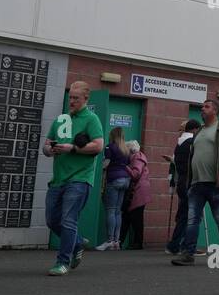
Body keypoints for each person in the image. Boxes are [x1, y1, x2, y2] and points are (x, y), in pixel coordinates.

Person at [42, 81, 104, 276]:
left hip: (80, 178)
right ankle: (77, 243)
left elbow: (98, 146)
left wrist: (74, 148)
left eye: (76, 98)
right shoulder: (61, 119)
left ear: (86, 99)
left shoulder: (91, 119)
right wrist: (50, 149)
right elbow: (45, 146)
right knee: (52, 221)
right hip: (58, 179)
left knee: (68, 220)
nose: (72, 101)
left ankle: (62, 262)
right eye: (71, 97)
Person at [171, 100, 219, 266]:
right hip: (196, 184)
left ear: (215, 111)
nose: (202, 109)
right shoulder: (198, 131)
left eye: (206, 106)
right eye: (202, 107)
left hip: (215, 183)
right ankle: (188, 253)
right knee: (192, 219)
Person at [164, 119, 200, 255]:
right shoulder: (193, 143)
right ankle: (184, 246)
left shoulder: (179, 144)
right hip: (191, 182)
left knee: (183, 215)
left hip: (181, 182)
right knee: (191, 217)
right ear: (195, 129)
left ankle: (175, 244)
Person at [97, 126, 131, 251]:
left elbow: (106, 164)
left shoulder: (109, 146)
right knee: (118, 211)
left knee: (110, 210)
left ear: (112, 135)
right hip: (125, 180)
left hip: (114, 179)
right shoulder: (126, 148)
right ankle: (116, 241)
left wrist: (98, 168)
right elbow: (127, 164)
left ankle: (109, 240)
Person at [119, 141, 150, 249]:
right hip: (137, 191)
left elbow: (135, 174)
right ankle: (121, 241)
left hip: (138, 192)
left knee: (136, 218)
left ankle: (137, 243)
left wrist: (124, 166)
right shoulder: (138, 157)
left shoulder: (137, 158)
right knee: (128, 217)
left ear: (130, 150)